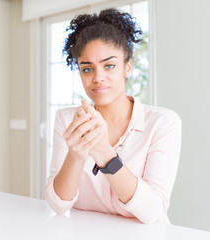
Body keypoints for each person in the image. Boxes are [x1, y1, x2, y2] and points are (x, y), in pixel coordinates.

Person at [45, 8, 181, 224]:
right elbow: (58, 205)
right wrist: (77, 154)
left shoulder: (162, 122)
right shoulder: (67, 120)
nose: (98, 77)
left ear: (127, 67)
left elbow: (154, 212)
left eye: (109, 66)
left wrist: (105, 155)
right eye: (87, 69)